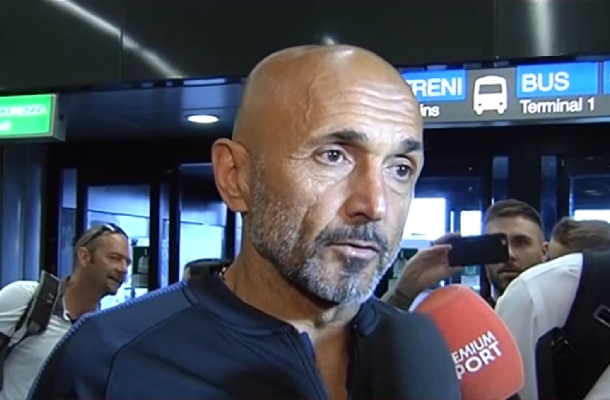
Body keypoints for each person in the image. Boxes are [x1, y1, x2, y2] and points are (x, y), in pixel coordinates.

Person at [28, 44, 460, 400]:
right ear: (235, 176)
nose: (375, 204)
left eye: (400, 168)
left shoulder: (420, 350)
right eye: (333, 156)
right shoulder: (107, 365)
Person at [0, 223, 129, 400]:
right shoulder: (27, 297)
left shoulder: (102, 331)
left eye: (127, 262)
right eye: (114, 258)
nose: (123, 269)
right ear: (84, 257)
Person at [384, 199, 547, 310]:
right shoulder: (463, 318)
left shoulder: (559, 315)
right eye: (496, 245)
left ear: (544, 252)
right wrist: (404, 290)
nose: (509, 254)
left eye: (521, 243)